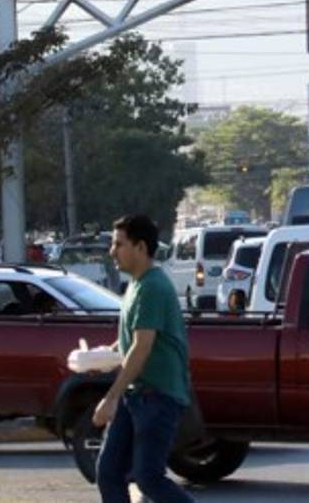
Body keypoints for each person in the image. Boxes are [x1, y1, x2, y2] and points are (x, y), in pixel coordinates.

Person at [94, 214, 195, 503]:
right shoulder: (137, 284)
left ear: (140, 247)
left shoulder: (152, 286)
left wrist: (111, 397)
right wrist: (107, 353)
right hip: (136, 394)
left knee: (149, 478)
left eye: (118, 244)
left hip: (157, 397)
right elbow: (134, 337)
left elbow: (142, 346)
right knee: (109, 473)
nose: (112, 251)